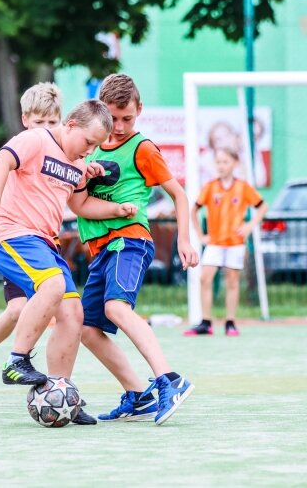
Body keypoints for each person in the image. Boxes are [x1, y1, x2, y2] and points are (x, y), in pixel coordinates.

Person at [0, 98, 136, 426]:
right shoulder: (35, 140)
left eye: (96, 147)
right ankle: (16, 360)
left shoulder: (78, 165)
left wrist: (116, 210)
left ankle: (61, 393)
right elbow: (0, 164)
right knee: (50, 286)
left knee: (73, 313)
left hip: (43, 243)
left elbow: (81, 205)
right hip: (11, 233)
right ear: (70, 125)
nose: (89, 151)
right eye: (88, 142)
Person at [77, 73, 199, 425]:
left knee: (116, 307)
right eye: (112, 118)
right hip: (101, 249)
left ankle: (169, 380)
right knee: (85, 328)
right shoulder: (91, 147)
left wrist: (184, 239)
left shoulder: (142, 148)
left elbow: (179, 194)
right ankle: (137, 394)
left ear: (139, 110)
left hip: (129, 241)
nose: (118, 127)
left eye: (126, 118)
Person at [0, 82, 63, 397]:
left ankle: (56, 381)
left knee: (51, 309)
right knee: (20, 309)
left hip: (41, 241)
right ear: (25, 120)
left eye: (52, 122)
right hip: (13, 237)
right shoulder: (21, 148)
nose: (46, 128)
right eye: (39, 121)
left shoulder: (60, 154)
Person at [185, 147, 268, 336]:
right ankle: (206, 322)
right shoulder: (210, 187)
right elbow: (194, 210)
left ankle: (230, 322)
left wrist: (249, 226)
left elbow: (263, 206)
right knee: (205, 278)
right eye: (218, 162)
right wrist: (201, 235)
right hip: (215, 242)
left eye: (225, 162)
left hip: (235, 243)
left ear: (235, 164)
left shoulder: (243, 187)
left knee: (232, 280)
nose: (221, 166)